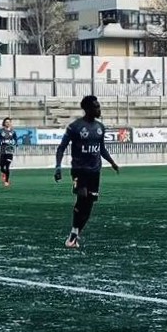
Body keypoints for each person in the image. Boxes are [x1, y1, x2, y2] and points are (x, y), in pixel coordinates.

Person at [55, 95, 120, 249]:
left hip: (95, 171)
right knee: (82, 196)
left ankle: (74, 234)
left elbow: (101, 148)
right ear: (87, 109)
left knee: (89, 203)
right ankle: (74, 232)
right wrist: (58, 167)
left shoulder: (100, 127)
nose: (99, 109)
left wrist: (112, 162)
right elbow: (61, 148)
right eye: (96, 107)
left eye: (99, 106)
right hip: (79, 170)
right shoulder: (75, 127)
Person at [0, 117, 18, 188]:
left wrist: (15, 143)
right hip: (3, 150)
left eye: (9, 122)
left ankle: (6, 181)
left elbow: (16, 139)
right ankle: (4, 173)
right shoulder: (1, 131)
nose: (8, 123)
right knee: (1, 166)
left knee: (7, 166)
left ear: (10, 123)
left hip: (10, 150)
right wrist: (1, 142)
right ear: (4, 123)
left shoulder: (13, 131)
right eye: (6, 122)